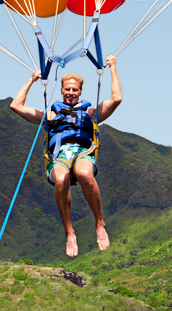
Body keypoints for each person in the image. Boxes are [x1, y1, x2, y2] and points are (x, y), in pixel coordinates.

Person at [10, 58, 122, 259]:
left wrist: (113, 67)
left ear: (80, 92)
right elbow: (16, 106)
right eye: (68, 89)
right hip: (59, 156)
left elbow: (116, 98)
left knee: (84, 173)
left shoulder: (91, 112)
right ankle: (69, 232)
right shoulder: (50, 115)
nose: (71, 93)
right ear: (62, 91)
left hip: (82, 152)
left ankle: (99, 223)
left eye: (75, 90)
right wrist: (32, 79)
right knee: (61, 180)